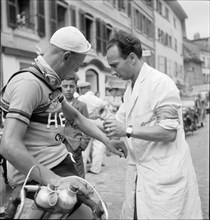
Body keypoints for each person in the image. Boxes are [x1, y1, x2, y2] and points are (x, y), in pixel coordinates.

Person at [0, 26, 127, 217]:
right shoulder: (29, 84)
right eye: (77, 65)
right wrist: (57, 181)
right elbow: (9, 146)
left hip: (60, 164)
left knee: (96, 213)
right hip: (40, 174)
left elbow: (75, 117)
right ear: (66, 56)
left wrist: (106, 140)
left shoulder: (49, 83)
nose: (76, 70)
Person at [103, 30, 202, 219]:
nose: (113, 72)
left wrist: (127, 130)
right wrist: (78, 120)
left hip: (165, 177)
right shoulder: (129, 90)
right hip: (143, 176)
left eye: (115, 65)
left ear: (132, 58)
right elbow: (116, 122)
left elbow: (168, 132)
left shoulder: (160, 83)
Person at [61, 74, 90, 178]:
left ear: (76, 87)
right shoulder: (55, 104)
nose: (68, 89)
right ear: (60, 87)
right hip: (58, 147)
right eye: (65, 86)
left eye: (71, 86)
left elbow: (88, 128)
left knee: (79, 178)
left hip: (75, 147)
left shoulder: (81, 106)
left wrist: (82, 145)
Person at [78, 82, 107, 174]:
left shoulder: (81, 98)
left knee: (85, 146)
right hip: (97, 122)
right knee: (98, 146)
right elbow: (104, 108)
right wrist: (99, 114)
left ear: (83, 89)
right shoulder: (98, 99)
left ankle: (82, 167)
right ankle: (96, 168)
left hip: (85, 122)